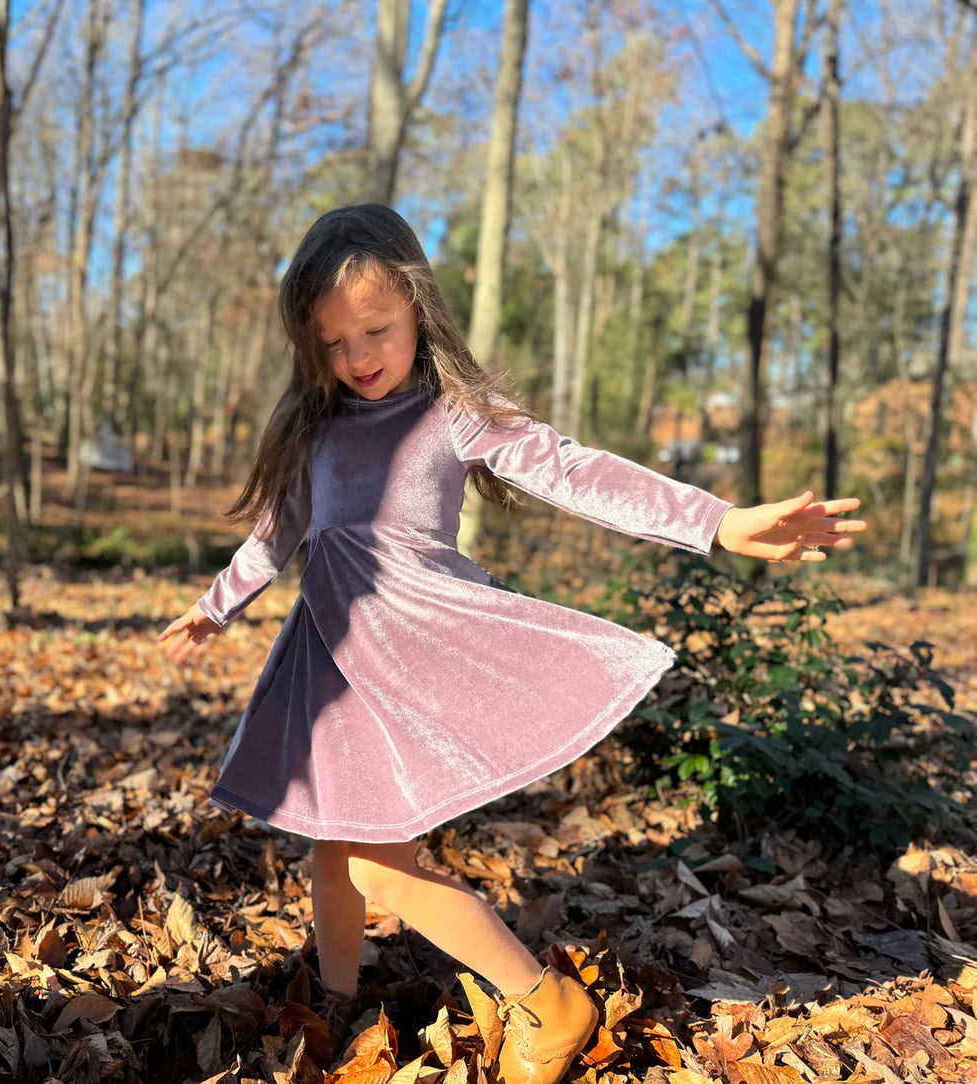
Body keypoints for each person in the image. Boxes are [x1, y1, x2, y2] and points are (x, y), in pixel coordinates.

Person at [156, 204, 865, 1083]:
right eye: (332, 343)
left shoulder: (453, 413)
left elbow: (576, 471)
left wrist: (718, 522)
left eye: (375, 330)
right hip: (332, 663)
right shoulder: (317, 428)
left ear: (418, 306)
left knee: (379, 871)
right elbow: (275, 533)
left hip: (418, 648)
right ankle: (334, 1000)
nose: (357, 358)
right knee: (330, 845)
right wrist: (217, 605)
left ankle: (546, 1003)